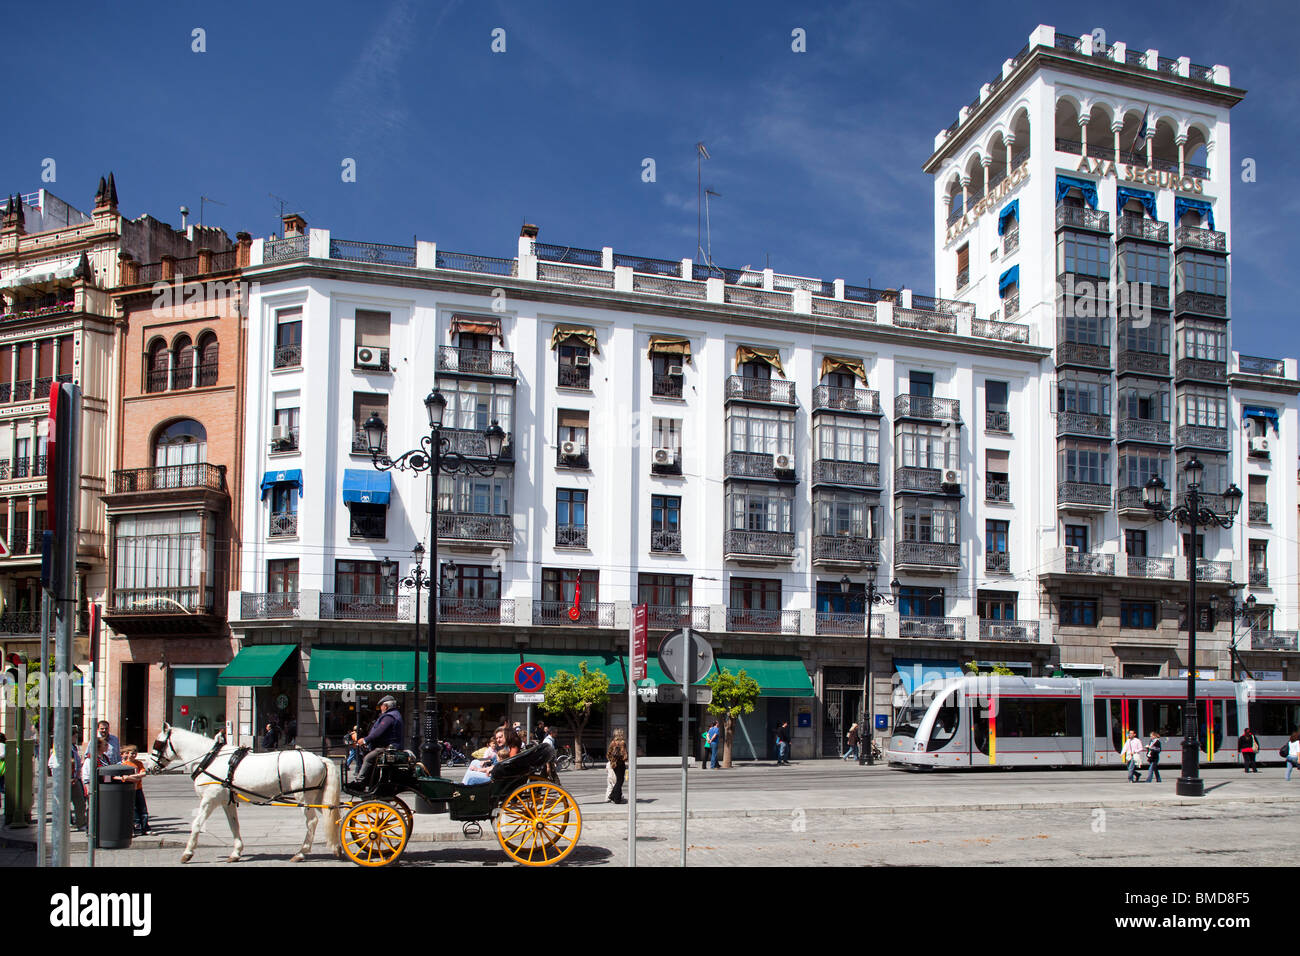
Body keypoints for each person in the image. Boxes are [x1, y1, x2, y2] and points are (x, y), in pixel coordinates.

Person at [349, 696, 405, 791]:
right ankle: (371, 782)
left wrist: (365, 740)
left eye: (381, 706)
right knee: (369, 756)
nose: (381, 708)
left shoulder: (389, 717)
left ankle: (360, 782)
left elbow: (378, 732)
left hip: (387, 747)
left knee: (368, 758)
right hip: (387, 746)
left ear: (386, 706)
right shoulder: (394, 714)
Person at [117, 745, 150, 835]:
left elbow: (143, 773)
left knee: (143, 808)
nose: (133, 755)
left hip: (138, 789)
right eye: (131, 753)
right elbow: (122, 777)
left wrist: (130, 777)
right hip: (129, 790)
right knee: (134, 809)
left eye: (135, 753)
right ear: (127, 754)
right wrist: (135, 777)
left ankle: (145, 827)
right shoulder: (124, 765)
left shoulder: (139, 763)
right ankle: (137, 827)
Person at [606, 729, 628, 803]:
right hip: (621, 763)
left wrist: (612, 760)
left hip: (614, 764)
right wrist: (626, 759)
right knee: (620, 781)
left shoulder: (612, 742)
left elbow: (608, 754)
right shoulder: (623, 743)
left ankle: (615, 796)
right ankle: (615, 798)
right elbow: (625, 755)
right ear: (621, 734)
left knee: (618, 780)